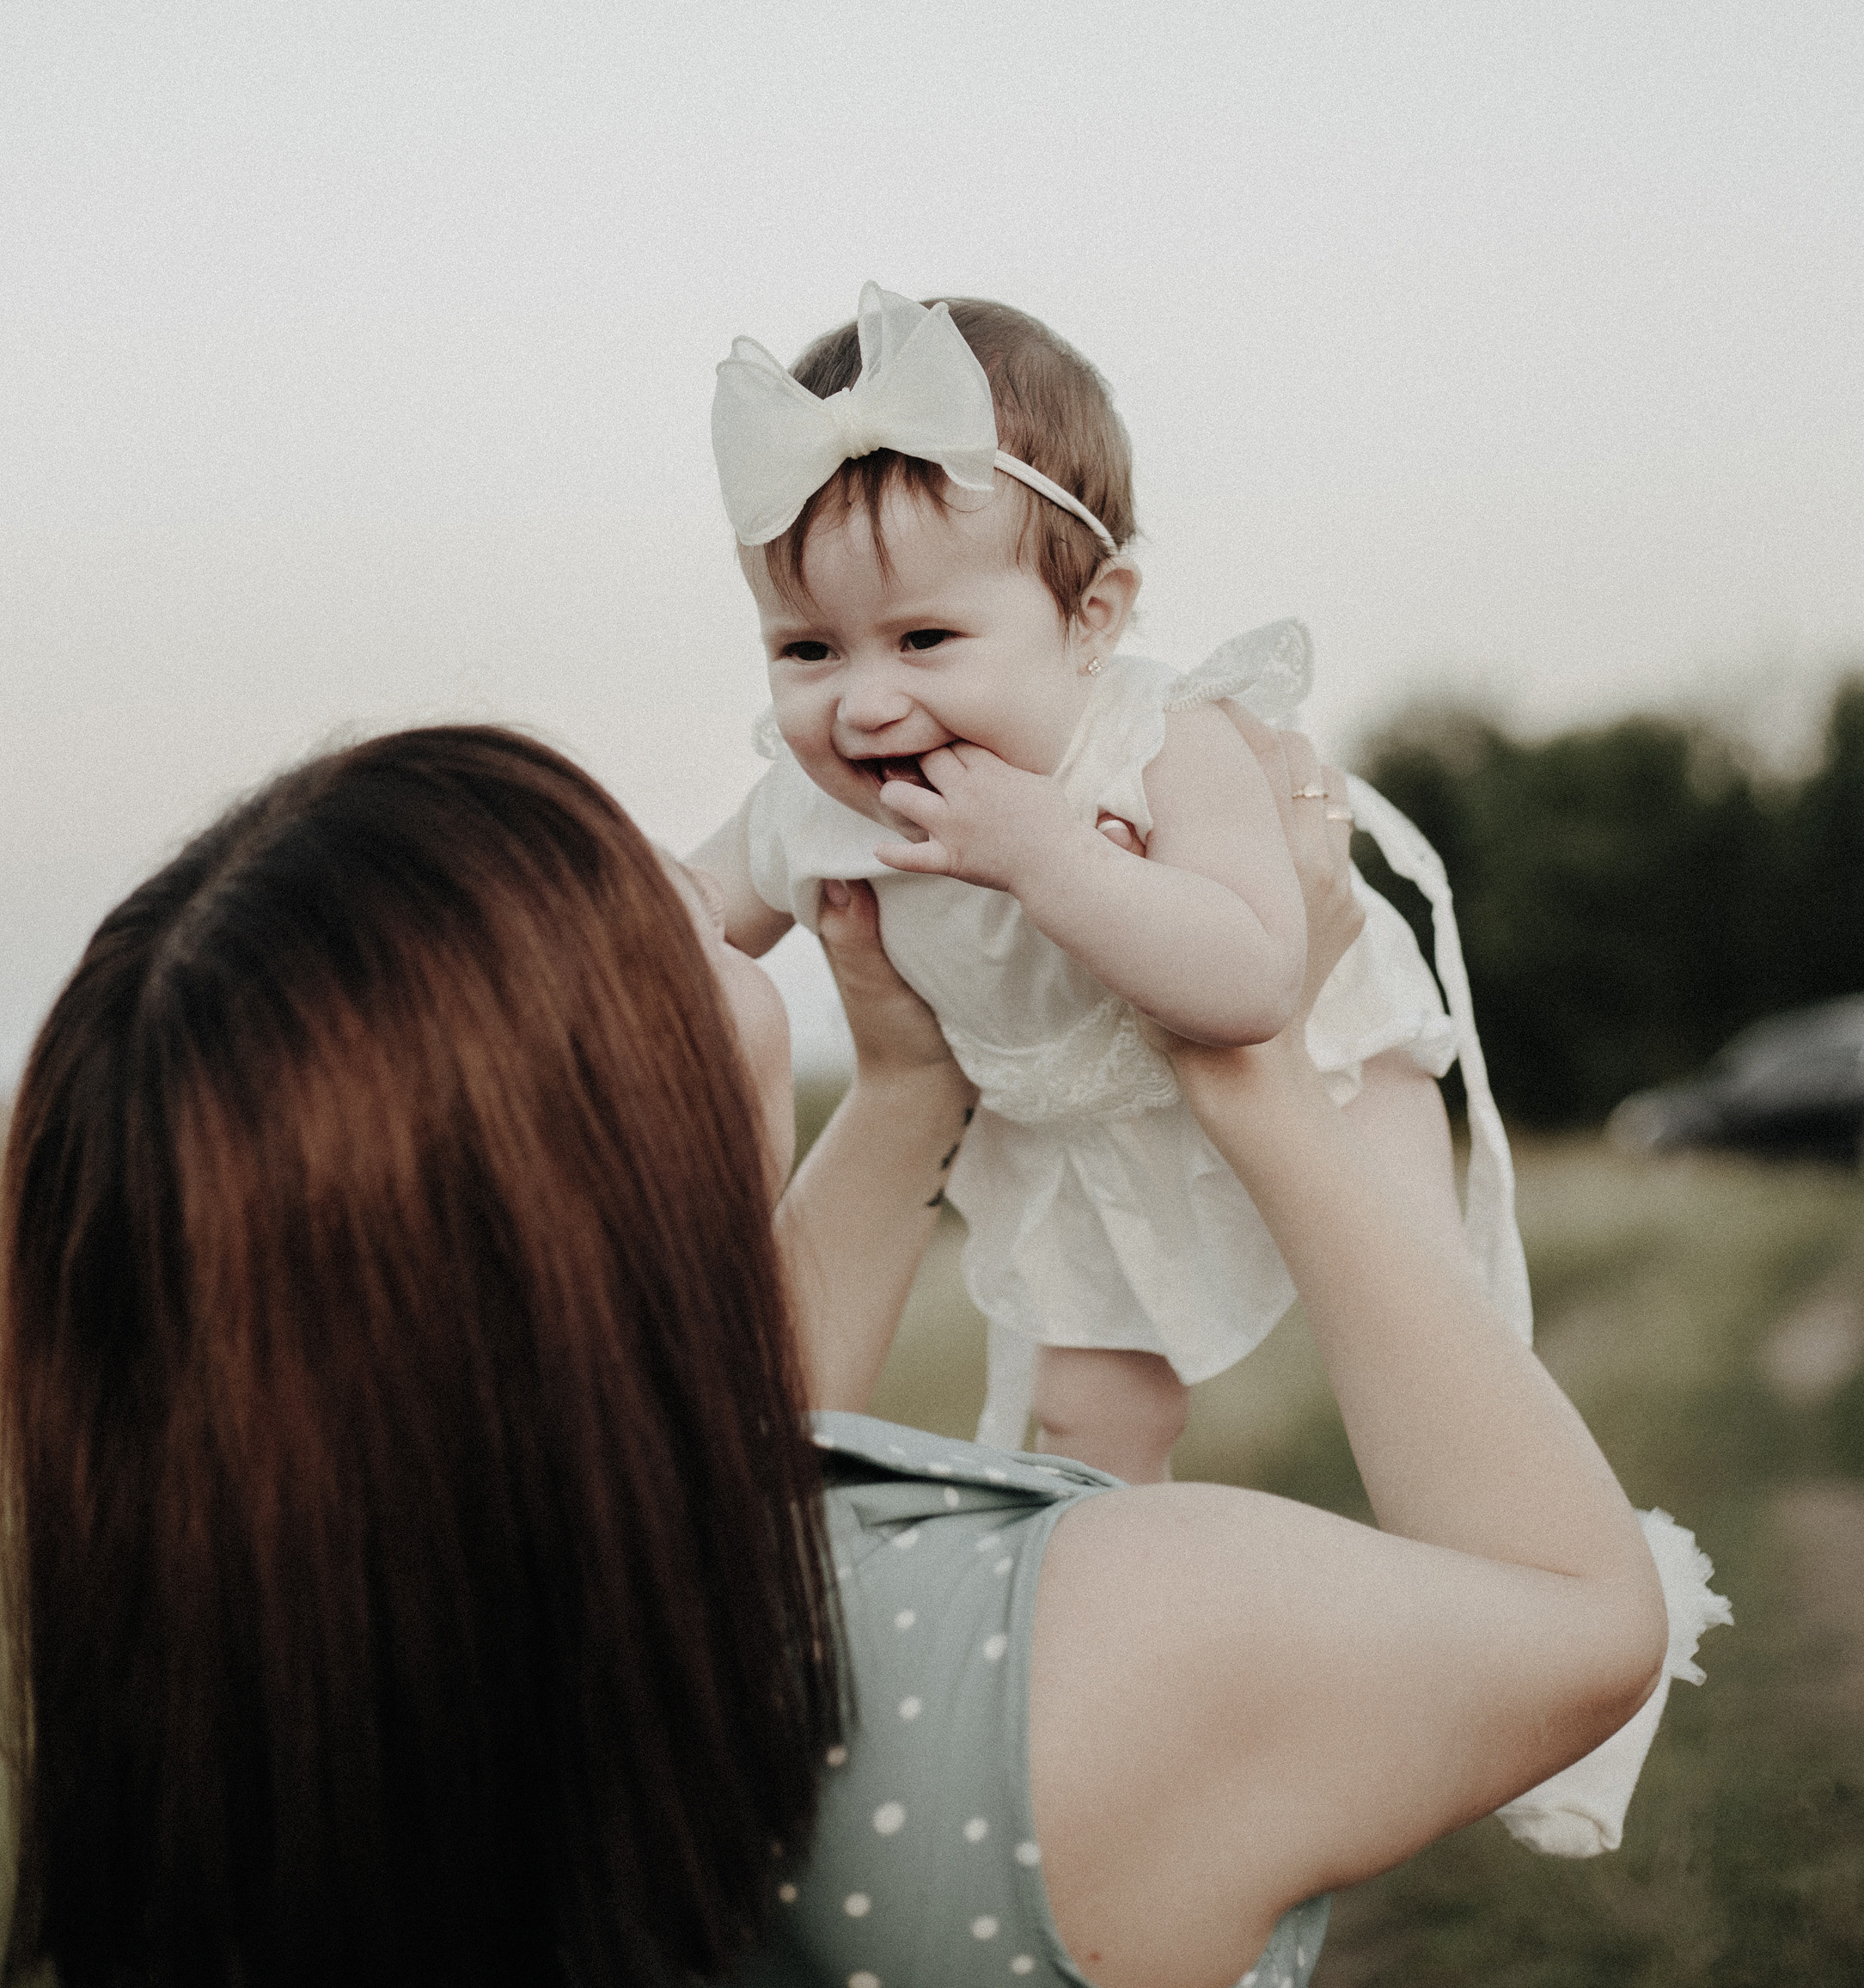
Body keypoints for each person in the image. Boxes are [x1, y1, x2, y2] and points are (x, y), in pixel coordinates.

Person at [3, 717, 1687, 1986]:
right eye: (628, 895)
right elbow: (1576, 1622)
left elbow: (686, 1469)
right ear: (601, 1136)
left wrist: (902, 1094)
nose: (695, 883)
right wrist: (1251, 1068)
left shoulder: (243, 1716)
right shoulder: (1073, 1664)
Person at [699, 282, 1498, 1486]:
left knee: (1431, 1336)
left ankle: (1494, 1581)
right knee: (1088, 1415)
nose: (864, 704)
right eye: (807, 650)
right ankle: (1122, 1587)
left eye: (924, 641)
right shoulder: (812, 801)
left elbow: (1252, 982)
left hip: (1322, 1079)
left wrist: (1048, 857)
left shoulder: (1163, 742)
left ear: (1091, 620)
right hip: (1087, 1136)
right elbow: (672, 912)